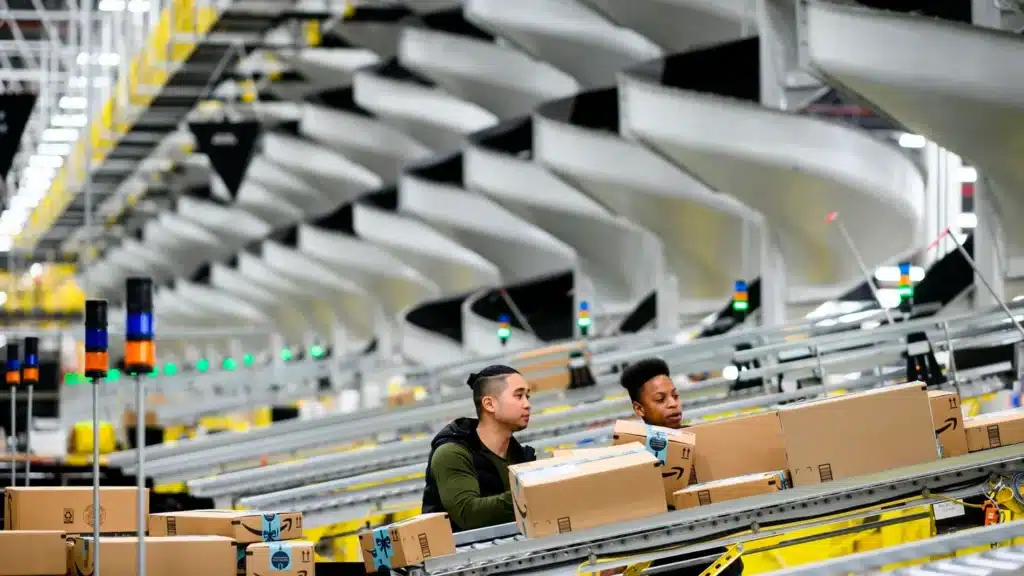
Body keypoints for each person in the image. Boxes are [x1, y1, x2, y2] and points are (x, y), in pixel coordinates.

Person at [621, 358, 745, 576]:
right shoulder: (629, 457)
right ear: (639, 409)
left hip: (714, 556)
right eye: (661, 399)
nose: (673, 404)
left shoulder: (702, 442)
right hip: (663, 562)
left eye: (675, 396)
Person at [421, 365, 536, 532]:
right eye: (519, 396)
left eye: (527, 396)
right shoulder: (452, 453)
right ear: (489, 404)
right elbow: (468, 514)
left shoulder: (519, 455)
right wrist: (533, 493)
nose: (527, 404)